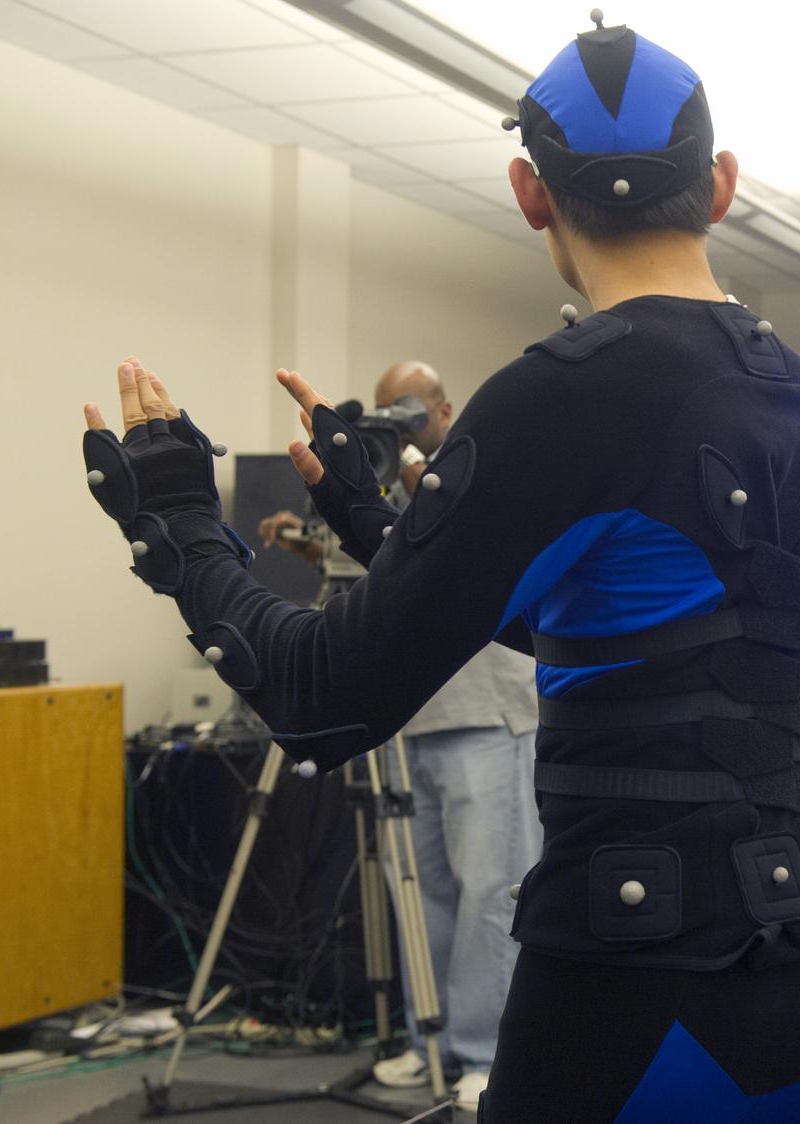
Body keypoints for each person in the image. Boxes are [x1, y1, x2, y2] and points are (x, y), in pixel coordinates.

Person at [81, 17, 800, 1122]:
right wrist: (381, 524)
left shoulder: (565, 391)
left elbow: (319, 700)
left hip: (642, 994)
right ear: (721, 185)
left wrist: (177, 522)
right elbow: (632, 636)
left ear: (529, 192)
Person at [257, 362, 541, 1108]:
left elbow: (478, 560)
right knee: (423, 892)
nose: (399, 423)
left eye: (411, 410)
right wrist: (318, 532)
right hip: (408, 722)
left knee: (490, 891)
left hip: (487, 713)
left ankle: (484, 1053)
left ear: (445, 410)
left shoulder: (485, 465)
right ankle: (431, 1041)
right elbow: (382, 571)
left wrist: (423, 485)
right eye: (387, 413)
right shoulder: (381, 482)